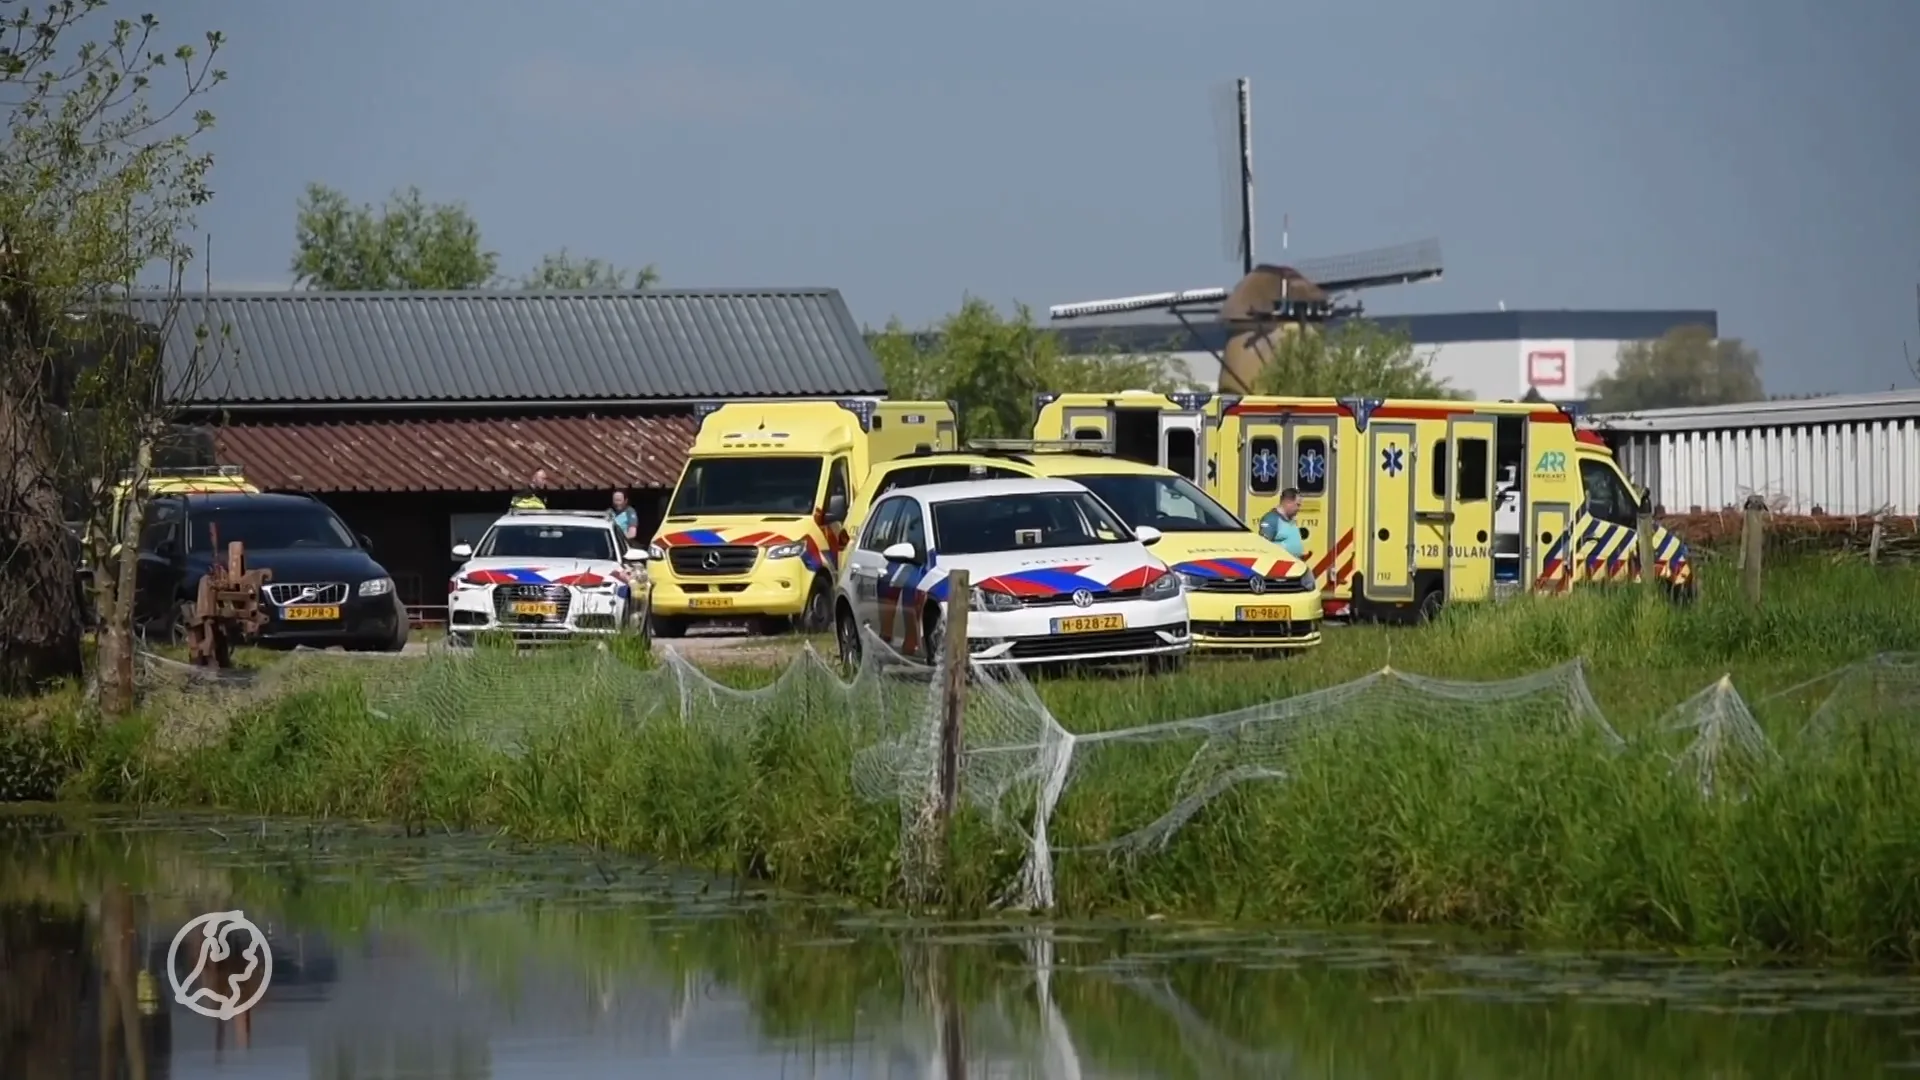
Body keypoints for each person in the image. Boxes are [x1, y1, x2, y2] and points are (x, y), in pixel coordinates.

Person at [1258, 487, 1307, 559]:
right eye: (1297, 505)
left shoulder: (1291, 519)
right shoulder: (1271, 519)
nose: (1299, 509)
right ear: (1288, 502)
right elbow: (1264, 547)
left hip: (1295, 566)